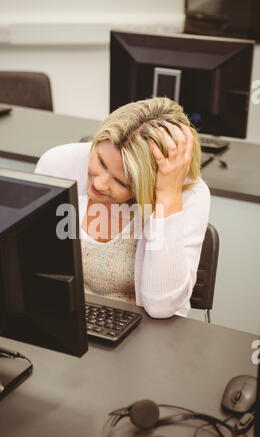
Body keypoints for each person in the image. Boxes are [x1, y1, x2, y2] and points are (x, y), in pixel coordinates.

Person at [35, 97, 210, 318]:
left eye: (121, 183)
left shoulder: (188, 195)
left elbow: (161, 307)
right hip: (61, 318)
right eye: (100, 161)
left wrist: (166, 198)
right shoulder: (59, 164)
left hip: (137, 337)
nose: (99, 184)